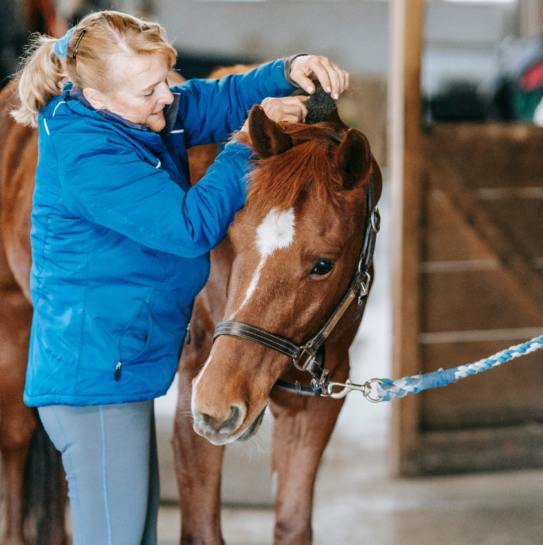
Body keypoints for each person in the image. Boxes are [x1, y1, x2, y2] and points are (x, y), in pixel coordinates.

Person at [11, 10, 349, 544]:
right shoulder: (90, 155)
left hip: (117, 371)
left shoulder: (132, 111)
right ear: (97, 97)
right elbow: (190, 227)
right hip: (94, 379)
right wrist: (242, 145)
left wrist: (288, 70)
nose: (166, 99)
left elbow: (213, 98)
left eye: (164, 82)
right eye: (150, 91)